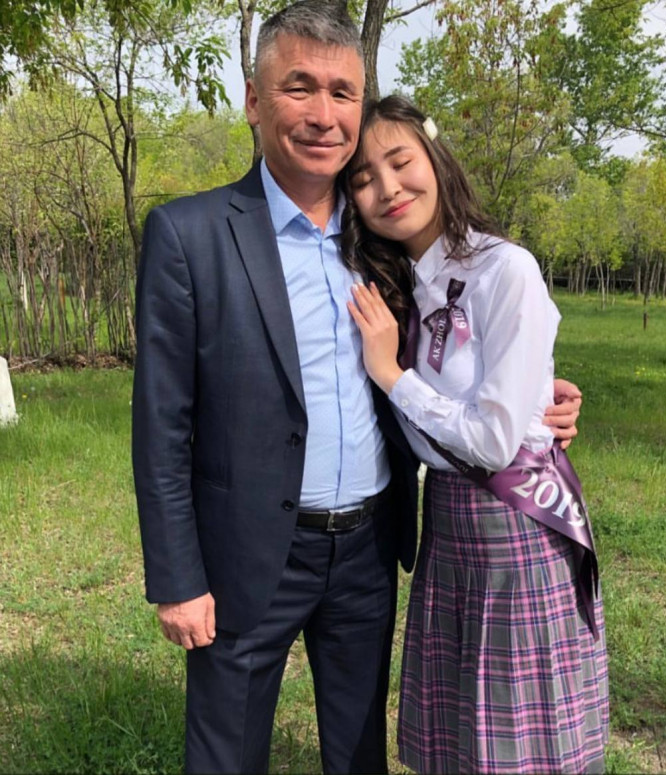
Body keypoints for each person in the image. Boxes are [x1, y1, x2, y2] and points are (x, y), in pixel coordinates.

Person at [131, 3, 583, 772]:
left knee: (357, 752)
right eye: (299, 87)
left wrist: (540, 393)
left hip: (370, 549)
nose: (323, 114)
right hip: (246, 553)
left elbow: (457, 353)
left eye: (343, 92)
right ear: (254, 99)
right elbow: (161, 423)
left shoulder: (385, 235)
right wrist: (177, 578)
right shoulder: (191, 235)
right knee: (225, 754)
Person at [342, 95, 609, 774]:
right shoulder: (400, 283)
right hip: (447, 525)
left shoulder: (504, 268)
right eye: (364, 179)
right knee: (464, 736)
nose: (388, 188)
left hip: (513, 529)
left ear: (436, 157)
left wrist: (391, 375)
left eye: (400, 161)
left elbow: (492, 443)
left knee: (521, 741)